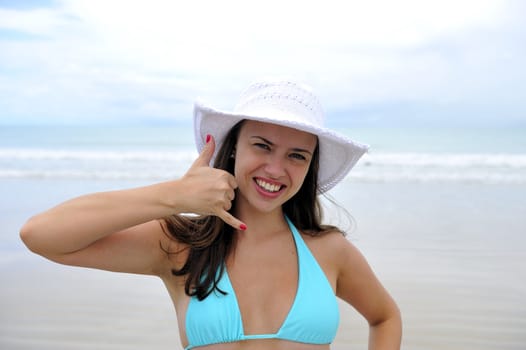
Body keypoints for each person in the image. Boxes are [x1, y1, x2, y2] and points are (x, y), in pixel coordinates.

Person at [20, 80, 402, 349]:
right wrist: (173, 196)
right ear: (233, 148)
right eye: (262, 146)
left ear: (308, 168)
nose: (275, 168)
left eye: (296, 156)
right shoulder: (178, 244)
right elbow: (41, 234)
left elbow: (385, 317)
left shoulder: (328, 250)